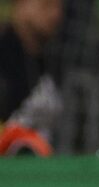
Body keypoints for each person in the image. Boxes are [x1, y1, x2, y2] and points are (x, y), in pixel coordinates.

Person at [0, 0, 63, 156]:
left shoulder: (52, 59)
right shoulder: (4, 57)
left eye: (59, 7)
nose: (56, 15)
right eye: (46, 5)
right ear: (20, 5)